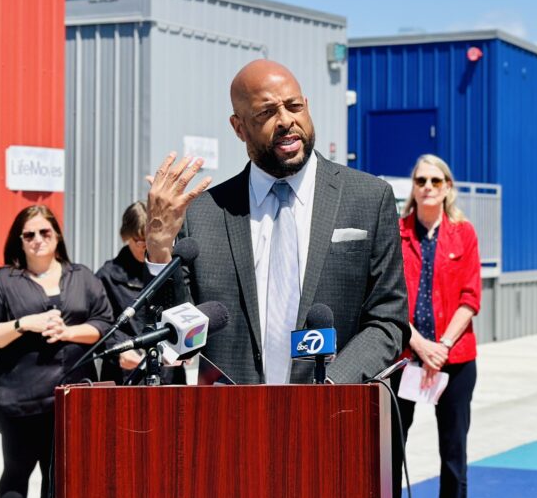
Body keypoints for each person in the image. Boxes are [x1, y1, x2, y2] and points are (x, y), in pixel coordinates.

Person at [144, 58, 409, 385]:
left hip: (335, 418)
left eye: (294, 106)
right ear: (238, 127)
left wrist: (331, 387)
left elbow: (388, 321)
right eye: (267, 112)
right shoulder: (205, 214)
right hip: (234, 421)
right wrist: (158, 247)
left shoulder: (369, 198)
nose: (286, 121)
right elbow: (174, 339)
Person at [0, 205, 112, 498]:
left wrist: (69, 332)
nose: (38, 240)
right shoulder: (3, 281)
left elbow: (104, 324)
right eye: (29, 235)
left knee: (61, 479)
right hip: (21, 399)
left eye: (44, 233)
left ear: (57, 236)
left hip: (73, 399)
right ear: (19, 241)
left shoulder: (81, 277)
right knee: (18, 476)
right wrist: (25, 324)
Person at [391, 154, 481, 498]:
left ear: (447, 185)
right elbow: (387, 296)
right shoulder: (396, 233)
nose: (427, 186)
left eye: (435, 179)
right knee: (389, 453)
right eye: (419, 179)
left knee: (453, 455)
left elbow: (470, 297)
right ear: (412, 186)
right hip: (403, 357)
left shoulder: (463, 234)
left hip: (454, 361)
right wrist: (418, 344)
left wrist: (441, 347)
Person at [96, 201, 186, 385]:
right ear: (126, 236)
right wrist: (118, 350)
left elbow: (182, 308)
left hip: (167, 373)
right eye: (139, 240)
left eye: (149, 240)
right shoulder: (107, 276)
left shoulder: (168, 270)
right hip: (124, 374)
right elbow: (101, 324)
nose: (145, 246)